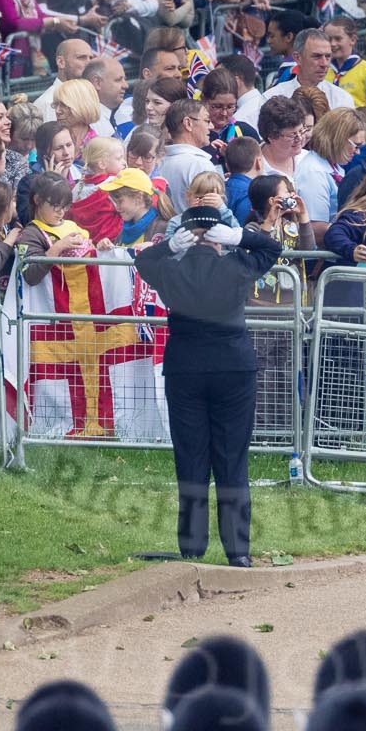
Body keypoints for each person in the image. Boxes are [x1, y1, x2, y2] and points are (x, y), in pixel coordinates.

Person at [133, 203, 284, 566]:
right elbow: (272, 248)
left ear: (185, 235)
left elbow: (142, 263)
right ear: (219, 235)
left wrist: (170, 248)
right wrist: (241, 237)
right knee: (232, 459)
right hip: (233, 367)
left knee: (191, 458)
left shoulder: (171, 269)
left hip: (185, 368)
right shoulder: (236, 265)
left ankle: (192, 547)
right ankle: (238, 552)